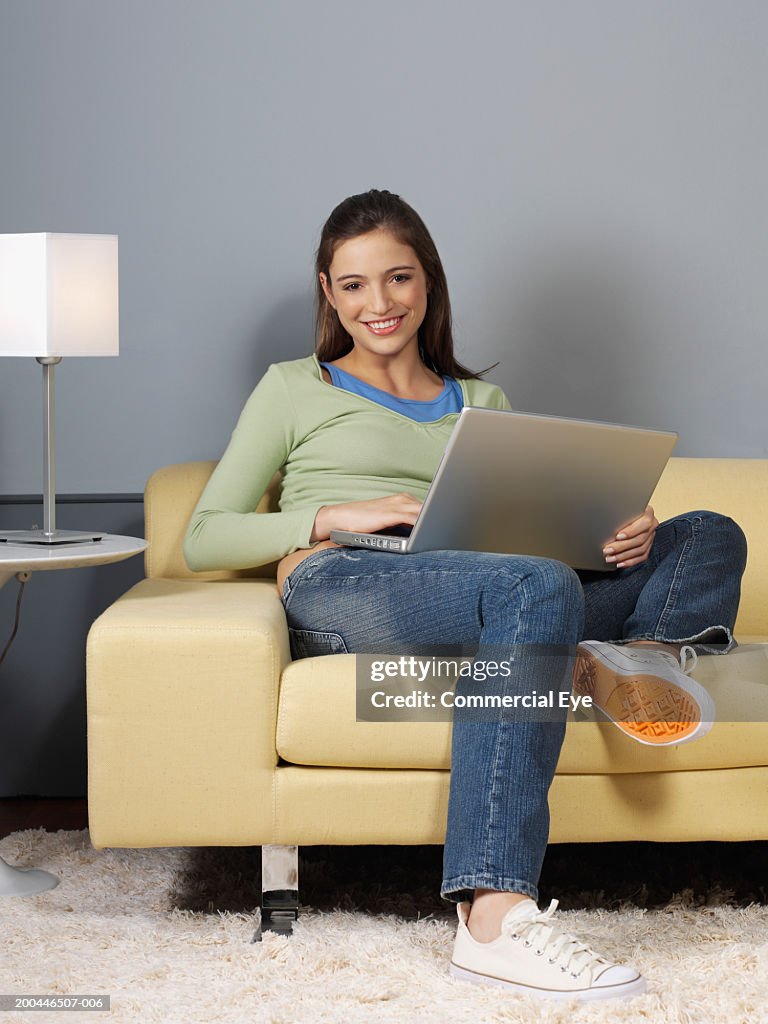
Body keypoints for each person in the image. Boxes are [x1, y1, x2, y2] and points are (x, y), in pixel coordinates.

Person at [184, 188, 747, 1002]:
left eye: (398, 279)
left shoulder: (482, 403)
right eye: (353, 285)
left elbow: (529, 537)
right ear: (328, 292)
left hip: (500, 589)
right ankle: (492, 913)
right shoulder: (293, 387)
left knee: (704, 532)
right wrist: (334, 514)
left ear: (428, 282)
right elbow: (204, 535)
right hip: (346, 582)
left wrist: (617, 537)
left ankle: (626, 664)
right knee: (535, 581)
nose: (378, 304)